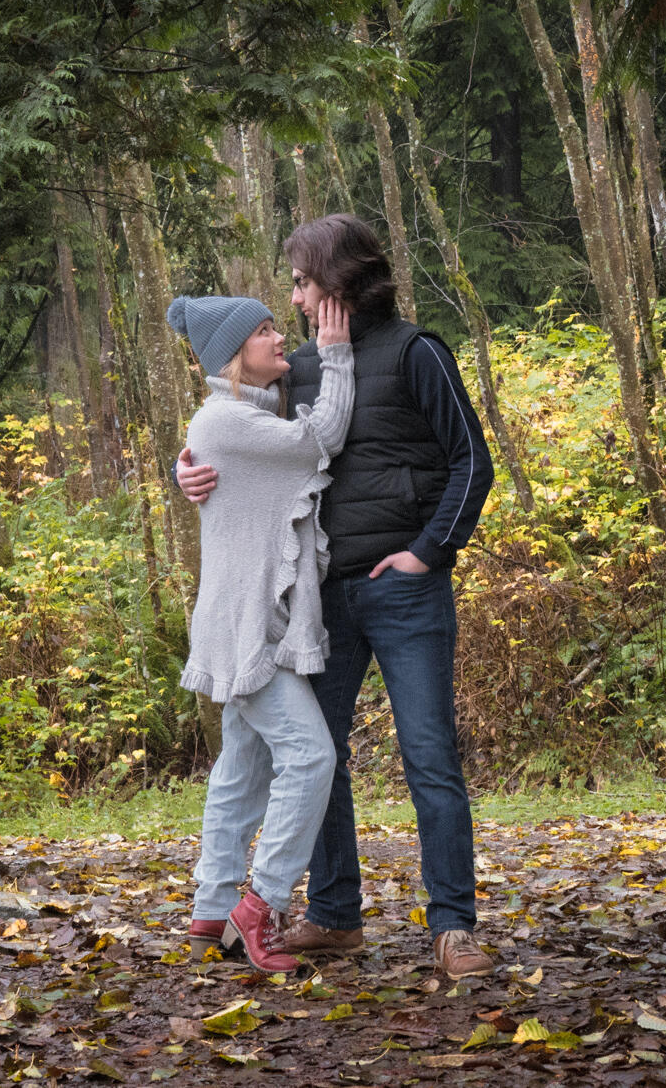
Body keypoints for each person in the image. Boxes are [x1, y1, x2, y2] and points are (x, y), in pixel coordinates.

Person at [177, 214, 496, 979]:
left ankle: (453, 927)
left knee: (429, 756)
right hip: (319, 602)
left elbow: (472, 463)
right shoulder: (299, 370)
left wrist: (426, 553)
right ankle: (334, 915)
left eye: (301, 282)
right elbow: (237, 433)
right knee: (321, 759)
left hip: (405, 591)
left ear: (339, 279)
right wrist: (186, 470)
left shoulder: (418, 353)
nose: (293, 298)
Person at [165, 289, 356, 974]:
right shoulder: (226, 419)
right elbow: (319, 438)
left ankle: (210, 910)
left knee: (242, 772)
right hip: (249, 630)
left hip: (253, 622)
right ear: (232, 355)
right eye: (265, 330)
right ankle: (261, 906)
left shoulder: (236, 418)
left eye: (280, 325)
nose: (280, 338)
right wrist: (336, 355)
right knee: (310, 757)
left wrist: (180, 467)